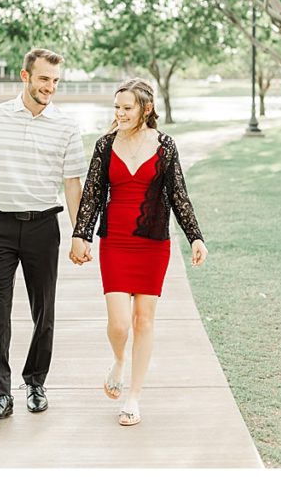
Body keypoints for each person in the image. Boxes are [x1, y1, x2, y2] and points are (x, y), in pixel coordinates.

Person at [69, 78, 208, 427]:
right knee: (118, 324)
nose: (120, 113)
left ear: (145, 109)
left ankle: (133, 396)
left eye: (127, 108)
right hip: (115, 241)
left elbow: (178, 194)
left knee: (143, 320)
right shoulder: (105, 145)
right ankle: (119, 360)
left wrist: (195, 237)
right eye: (116, 108)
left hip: (152, 242)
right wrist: (81, 235)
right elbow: (92, 195)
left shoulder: (165, 146)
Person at [0, 48, 86, 419]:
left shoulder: (66, 126)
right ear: (25, 76)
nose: (50, 87)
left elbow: (72, 183)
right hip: (0, 226)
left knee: (44, 312)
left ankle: (35, 382)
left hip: (42, 227)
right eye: (43, 79)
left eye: (54, 81)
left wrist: (78, 233)